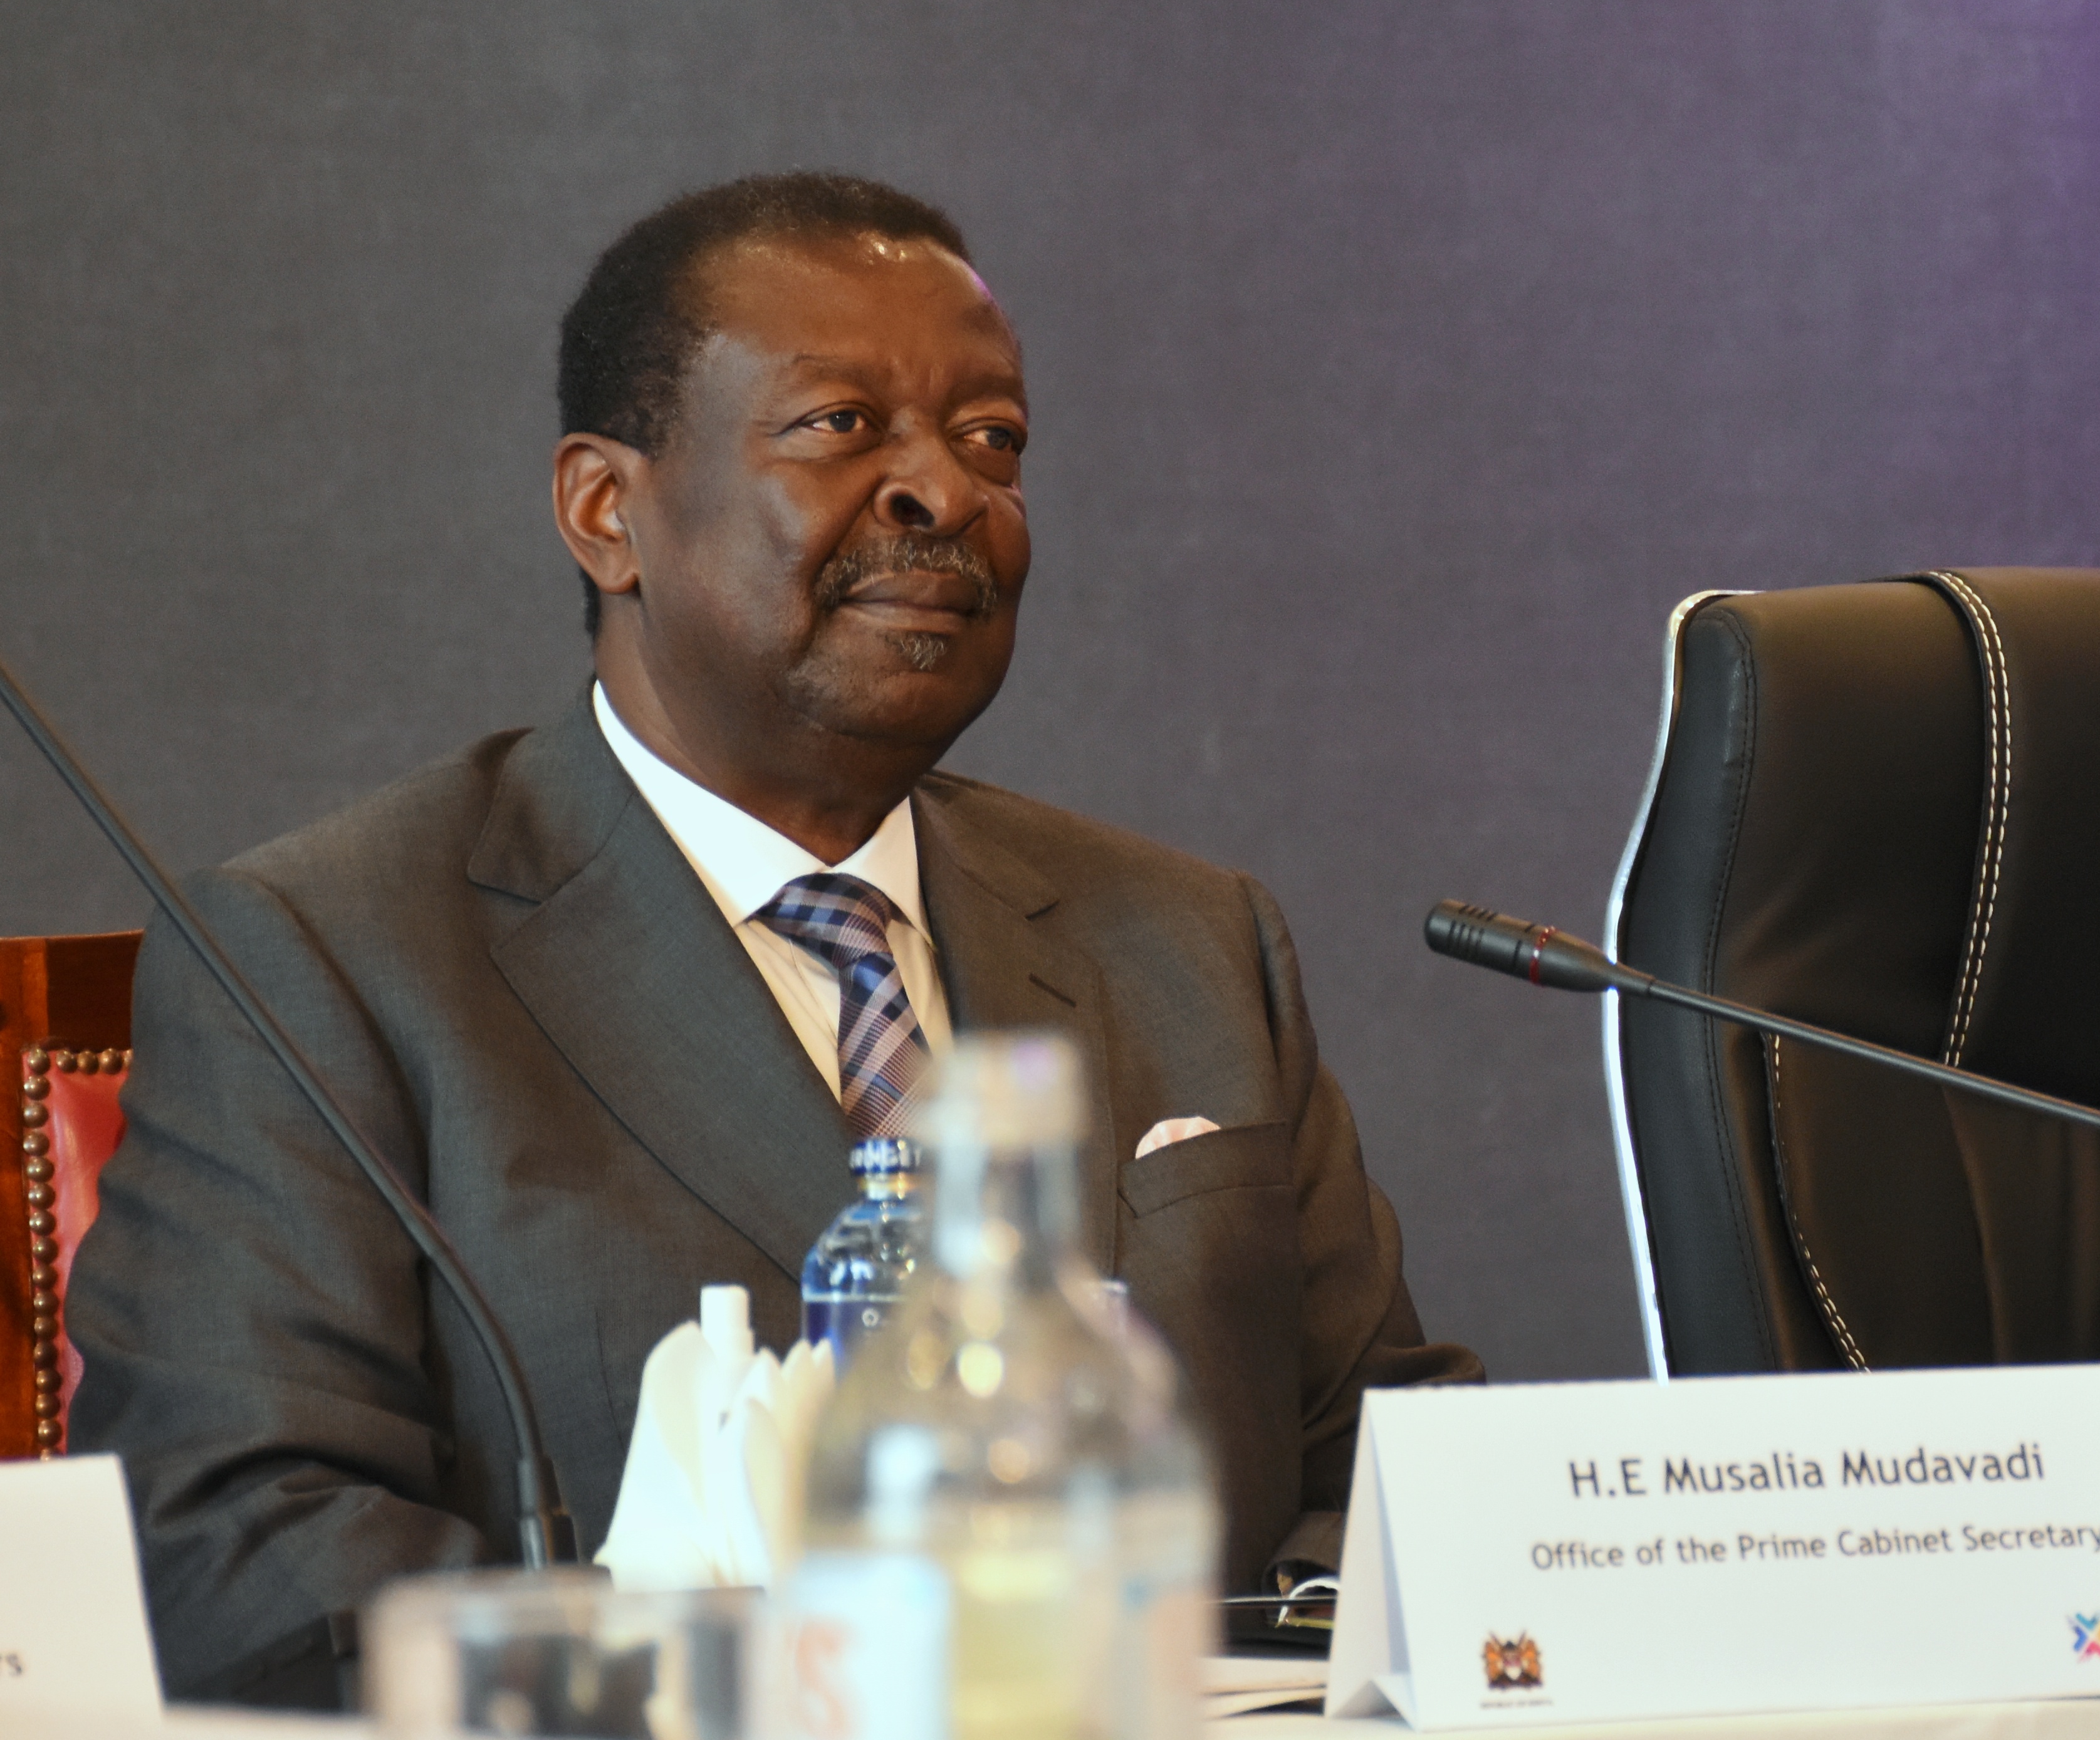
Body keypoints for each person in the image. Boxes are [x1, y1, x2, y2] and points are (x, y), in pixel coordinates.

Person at [70, 174, 1478, 1706]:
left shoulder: (1189, 938)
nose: (943, 494)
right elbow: (231, 1545)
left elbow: (1405, 1482)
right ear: (608, 511)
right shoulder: (328, 955)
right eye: (839, 427)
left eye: (991, 438)